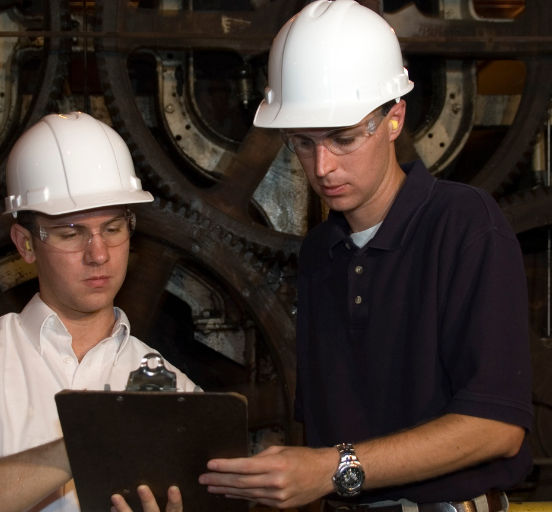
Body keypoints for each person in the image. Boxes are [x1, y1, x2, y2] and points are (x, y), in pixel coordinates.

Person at [200, 1, 533, 510]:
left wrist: (334, 468)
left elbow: (497, 427)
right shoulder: (319, 253)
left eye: (344, 137)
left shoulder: (464, 224)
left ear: (394, 117)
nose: (323, 166)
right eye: (303, 143)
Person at [0, 112, 196, 512]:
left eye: (112, 229)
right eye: (71, 233)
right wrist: (86, 439)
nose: (99, 254)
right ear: (25, 244)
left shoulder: (177, 392)